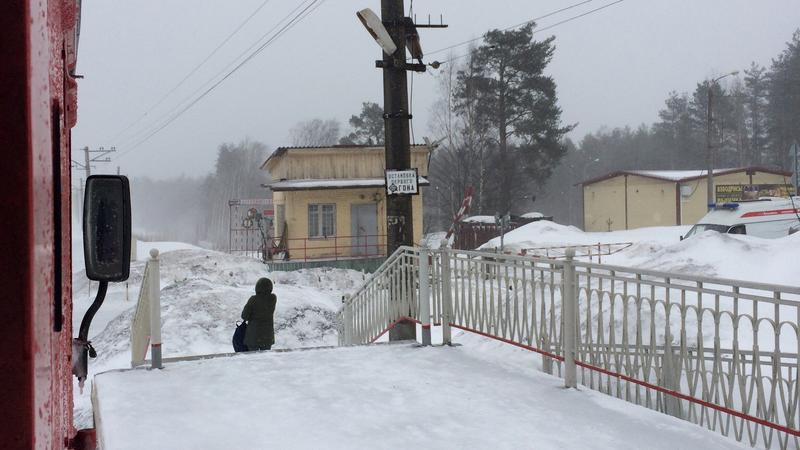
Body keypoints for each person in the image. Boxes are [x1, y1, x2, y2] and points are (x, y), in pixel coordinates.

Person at [241, 277, 277, 351]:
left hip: (253, 336)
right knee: (265, 359)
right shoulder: (273, 298)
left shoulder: (253, 299)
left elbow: (244, 316)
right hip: (267, 336)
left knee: (254, 359)